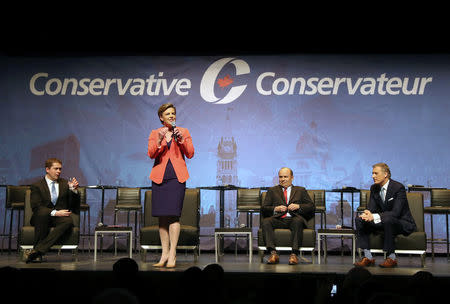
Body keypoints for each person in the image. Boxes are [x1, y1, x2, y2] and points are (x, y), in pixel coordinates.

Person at [147, 103, 194, 268]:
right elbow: (151, 153)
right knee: (162, 217)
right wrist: (159, 140)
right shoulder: (154, 133)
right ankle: (164, 254)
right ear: (161, 117)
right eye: (168, 114)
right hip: (160, 178)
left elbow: (190, 153)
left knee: (174, 215)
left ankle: (173, 253)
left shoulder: (183, 132)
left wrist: (181, 139)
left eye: (173, 113)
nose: (172, 116)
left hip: (176, 178)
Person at [354, 162, 416, 268]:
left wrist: (374, 216)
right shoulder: (374, 188)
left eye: (376, 173)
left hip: (400, 223)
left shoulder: (398, 188)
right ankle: (368, 257)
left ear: (385, 174)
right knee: (359, 219)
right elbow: (372, 209)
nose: (373, 176)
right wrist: (367, 214)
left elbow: (396, 213)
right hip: (383, 221)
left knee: (388, 219)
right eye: (372, 173)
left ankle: (391, 258)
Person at [26, 158, 80, 263]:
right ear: (47, 169)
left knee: (68, 221)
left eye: (60, 169)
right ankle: (38, 252)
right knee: (41, 215)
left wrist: (73, 190)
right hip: (42, 216)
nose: (58, 171)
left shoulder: (65, 183)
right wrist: (55, 212)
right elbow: (36, 207)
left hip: (59, 218)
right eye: (56, 169)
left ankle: (38, 250)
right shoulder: (37, 186)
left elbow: (73, 205)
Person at [261, 167, 314, 265]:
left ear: (292, 178)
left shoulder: (300, 190)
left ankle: (294, 254)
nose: (283, 179)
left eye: (285, 176)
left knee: (298, 221)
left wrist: (298, 206)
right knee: (266, 221)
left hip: (294, 218)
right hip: (278, 219)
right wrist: (275, 209)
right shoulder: (272, 190)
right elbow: (264, 208)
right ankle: (273, 253)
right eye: (281, 177)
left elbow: (311, 206)